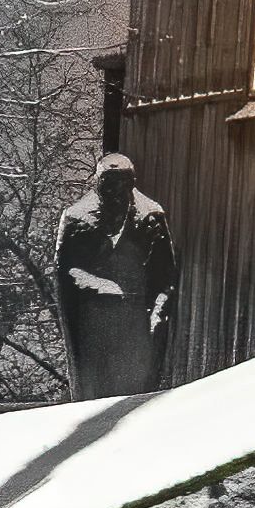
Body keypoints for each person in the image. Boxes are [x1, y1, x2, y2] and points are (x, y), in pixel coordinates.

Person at [50, 152, 182, 401]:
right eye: (109, 184)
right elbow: (65, 270)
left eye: (122, 184)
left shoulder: (151, 215)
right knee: (96, 396)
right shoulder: (76, 217)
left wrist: (158, 312)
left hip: (136, 325)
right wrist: (99, 286)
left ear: (131, 182)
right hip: (94, 325)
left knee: (134, 396)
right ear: (98, 182)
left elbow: (167, 274)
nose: (115, 191)